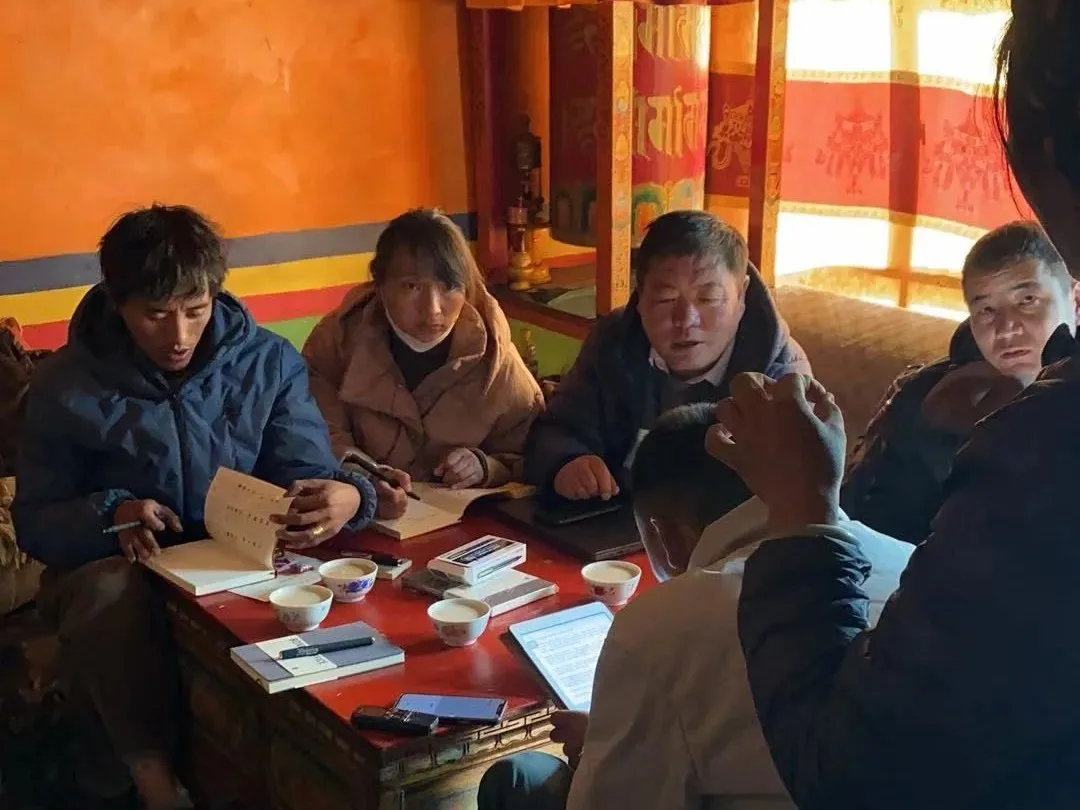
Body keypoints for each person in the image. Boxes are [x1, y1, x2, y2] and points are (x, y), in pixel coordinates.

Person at [13, 205, 377, 810]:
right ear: (117, 302)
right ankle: (153, 779)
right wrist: (112, 514)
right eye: (155, 315)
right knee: (111, 593)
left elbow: (305, 470)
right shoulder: (65, 385)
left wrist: (347, 496)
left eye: (195, 309)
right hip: (117, 571)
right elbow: (35, 520)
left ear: (215, 294)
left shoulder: (267, 361)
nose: (179, 336)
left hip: (237, 561)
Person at [477, 403, 913, 810]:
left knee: (519, 780)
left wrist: (604, 748)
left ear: (664, 534)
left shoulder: (662, 627)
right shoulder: (912, 566)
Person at [524, 210, 809, 502]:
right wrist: (567, 463)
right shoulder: (615, 342)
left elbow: (801, 494)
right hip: (615, 520)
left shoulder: (779, 377)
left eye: (708, 298)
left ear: (742, 296)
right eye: (666, 299)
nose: (686, 320)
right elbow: (557, 429)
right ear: (640, 298)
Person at [842, 220, 1079, 543]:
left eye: (1027, 300)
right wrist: (938, 440)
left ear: (1075, 301)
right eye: (986, 310)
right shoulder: (926, 395)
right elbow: (864, 520)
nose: (1005, 329)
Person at [303, 208, 544, 518]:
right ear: (379, 284)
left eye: (448, 287)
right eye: (412, 287)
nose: (433, 310)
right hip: (358, 516)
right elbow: (318, 434)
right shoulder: (335, 343)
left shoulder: (497, 359)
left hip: (460, 527)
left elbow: (532, 454)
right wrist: (364, 477)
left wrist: (486, 466)